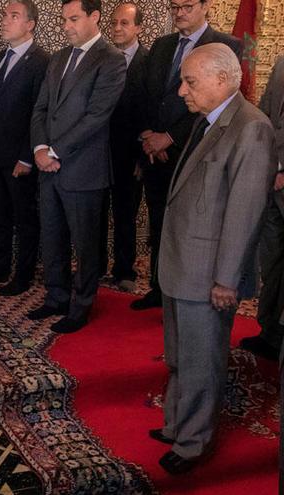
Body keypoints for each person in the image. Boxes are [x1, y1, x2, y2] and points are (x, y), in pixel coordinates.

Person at [152, 43, 275, 475]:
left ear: (222, 79)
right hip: (180, 265)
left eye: (190, 81)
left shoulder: (251, 128)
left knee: (202, 361)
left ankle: (192, 443)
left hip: (207, 275)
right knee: (179, 356)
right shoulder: (205, 122)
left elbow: (244, 213)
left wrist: (227, 281)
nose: (182, 90)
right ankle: (174, 424)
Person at [131, 0, 242, 311]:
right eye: (174, 6)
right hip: (155, 155)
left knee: (188, 226)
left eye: (187, 6)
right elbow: (145, 95)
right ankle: (158, 286)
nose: (179, 12)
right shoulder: (162, 45)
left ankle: (182, 293)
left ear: (206, 6)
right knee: (158, 223)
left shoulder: (225, 45)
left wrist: (170, 138)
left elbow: (219, 106)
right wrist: (149, 137)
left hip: (194, 155)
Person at [27, 0, 126, 333]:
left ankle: (80, 307)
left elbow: (97, 116)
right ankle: (56, 297)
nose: (66, 26)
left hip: (84, 170)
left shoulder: (111, 59)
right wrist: (40, 148)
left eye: (73, 19)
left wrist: (55, 151)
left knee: (85, 244)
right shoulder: (57, 58)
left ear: (94, 16)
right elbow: (41, 109)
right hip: (48, 167)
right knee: (52, 237)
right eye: (64, 19)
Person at [0, 0, 50, 296]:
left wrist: (28, 157)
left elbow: (40, 113)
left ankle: (23, 276)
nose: (5, 20)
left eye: (13, 16)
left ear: (30, 24)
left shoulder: (42, 61)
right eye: (5, 15)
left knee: (24, 217)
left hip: (20, 157)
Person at [101, 2, 149, 292]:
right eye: (114, 23)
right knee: (95, 214)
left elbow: (151, 110)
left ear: (138, 28)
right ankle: (94, 266)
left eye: (125, 23)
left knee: (125, 215)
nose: (117, 28)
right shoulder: (102, 59)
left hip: (130, 156)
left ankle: (123, 270)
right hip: (97, 153)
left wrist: (142, 158)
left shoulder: (149, 61)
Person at [239, 55, 284, 361]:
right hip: (272, 186)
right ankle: (270, 334)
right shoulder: (281, 63)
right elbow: (266, 114)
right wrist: (267, 164)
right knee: (273, 265)